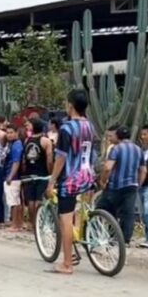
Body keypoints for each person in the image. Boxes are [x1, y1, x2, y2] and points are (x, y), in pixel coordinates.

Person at [45, 89, 97, 275]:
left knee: (65, 219)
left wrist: (52, 181)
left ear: (70, 105)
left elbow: (61, 158)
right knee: (80, 213)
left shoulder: (66, 128)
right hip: (87, 175)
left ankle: (67, 263)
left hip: (70, 179)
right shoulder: (90, 127)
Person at [98, 125, 146, 245]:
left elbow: (108, 167)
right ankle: (125, 239)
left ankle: (106, 235)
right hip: (131, 186)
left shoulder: (117, 149)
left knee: (104, 209)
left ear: (118, 136)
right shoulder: (138, 149)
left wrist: (103, 181)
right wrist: (138, 184)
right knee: (128, 213)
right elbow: (143, 170)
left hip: (115, 185)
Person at [21, 118, 53, 231]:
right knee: (38, 199)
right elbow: (49, 159)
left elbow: (24, 159)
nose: (27, 126)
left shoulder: (27, 140)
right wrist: (51, 173)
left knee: (31, 200)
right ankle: (39, 223)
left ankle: (32, 223)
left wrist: (25, 171)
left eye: (29, 124)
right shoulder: (46, 141)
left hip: (30, 174)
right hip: (42, 173)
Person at [4, 125, 25, 232]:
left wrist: (10, 176)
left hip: (13, 177)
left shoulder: (16, 145)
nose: (9, 135)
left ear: (16, 133)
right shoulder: (11, 144)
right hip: (11, 174)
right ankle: (18, 223)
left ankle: (15, 225)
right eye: (7, 133)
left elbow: (16, 162)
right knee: (16, 201)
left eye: (11, 132)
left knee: (14, 202)